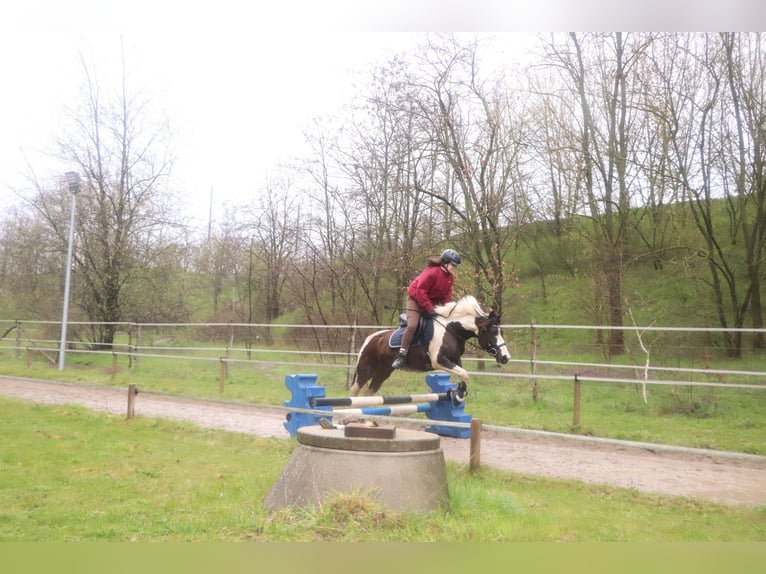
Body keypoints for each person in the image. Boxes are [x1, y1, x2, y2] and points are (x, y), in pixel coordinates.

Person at [391, 248, 461, 369]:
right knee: (413, 325)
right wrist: (429, 309)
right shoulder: (432, 272)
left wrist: (448, 310)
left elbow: (446, 296)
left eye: (455, 266)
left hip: (431, 302)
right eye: (453, 265)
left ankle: (430, 354)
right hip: (416, 300)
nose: (454, 268)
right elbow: (420, 291)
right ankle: (401, 355)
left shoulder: (450, 277)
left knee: (439, 326)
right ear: (445, 262)